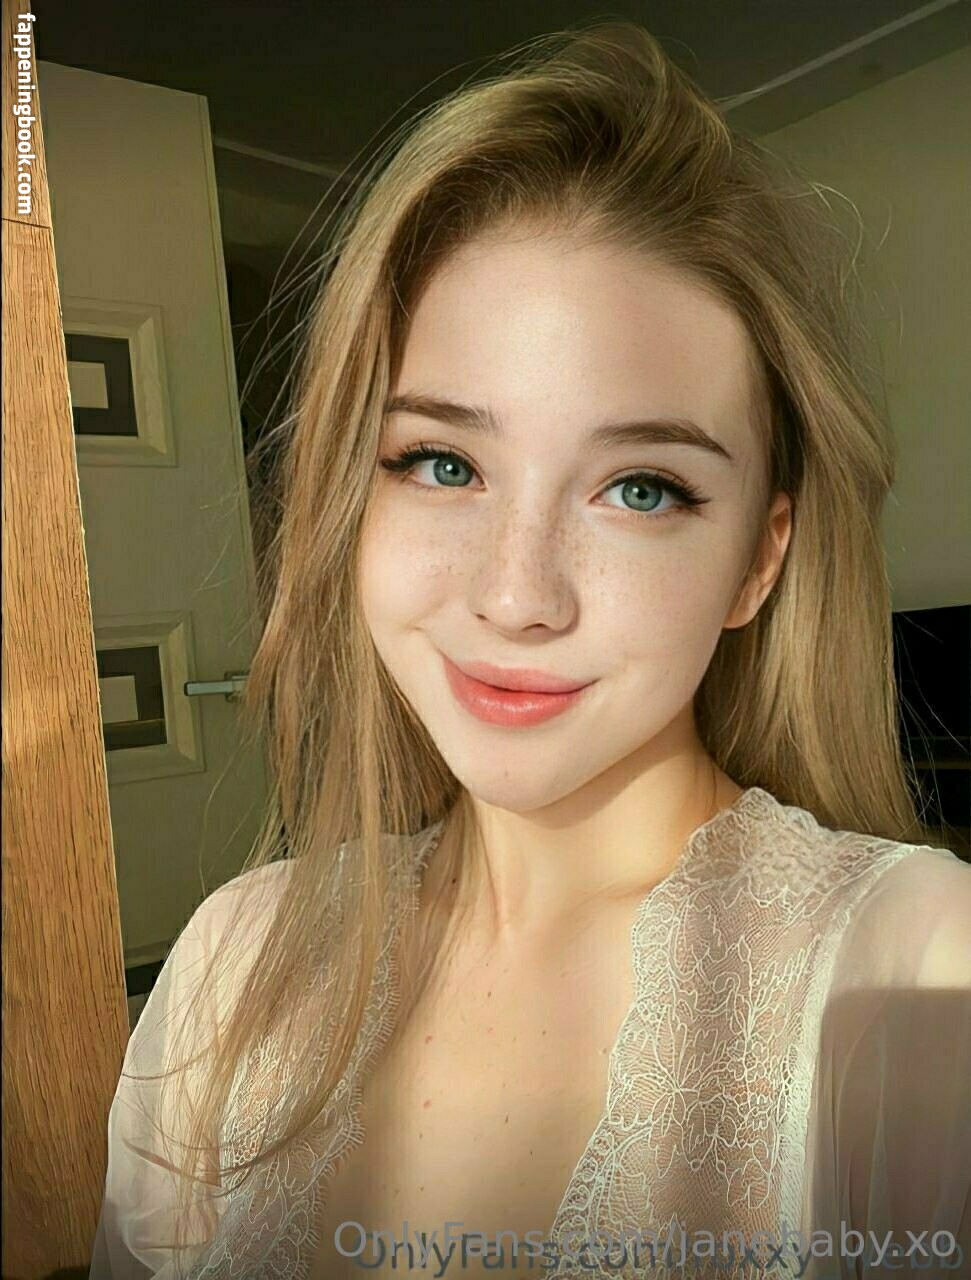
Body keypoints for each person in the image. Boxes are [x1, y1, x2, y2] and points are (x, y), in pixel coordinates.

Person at [89, 22, 971, 1280]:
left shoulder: (915, 969)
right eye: (441, 463)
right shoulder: (237, 957)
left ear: (757, 560)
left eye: (640, 488)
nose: (516, 597)